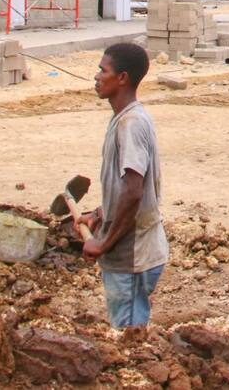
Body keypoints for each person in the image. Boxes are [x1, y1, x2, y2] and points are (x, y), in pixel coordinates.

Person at [77, 42, 169, 327]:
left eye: (102, 70)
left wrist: (104, 242)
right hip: (132, 252)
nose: (96, 76)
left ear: (122, 78)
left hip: (133, 257)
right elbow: (124, 189)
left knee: (129, 339)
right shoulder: (124, 119)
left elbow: (133, 191)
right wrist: (100, 213)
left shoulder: (131, 124)